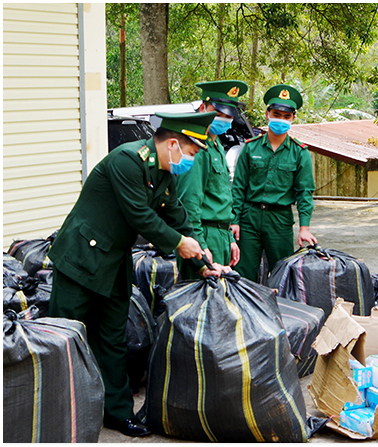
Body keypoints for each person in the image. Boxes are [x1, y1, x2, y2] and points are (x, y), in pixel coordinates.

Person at [48, 112, 231, 437]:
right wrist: (178, 243)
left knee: (113, 340)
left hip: (114, 262)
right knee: (64, 338)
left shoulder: (164, 173)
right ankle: (56, 412)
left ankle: (117, 414)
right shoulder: (127, 161)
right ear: (173, 144)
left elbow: (177, 215)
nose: (190, 161)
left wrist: (202, 258)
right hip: (80, 260)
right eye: (191, 153)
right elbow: (140, 216)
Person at [231, 84, 317, 282]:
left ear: (293, 118)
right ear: (267, 114)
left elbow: (305, 192)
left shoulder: (299, 153)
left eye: (286, 116)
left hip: (280, 220)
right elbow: (238, 187)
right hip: (249, 218)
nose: (281, 119)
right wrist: (235, 220)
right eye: (277, 114)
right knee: (244, 273)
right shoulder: (251, 148)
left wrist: (304, 227)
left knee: (283, 273)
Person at [175, 80, 248, 279]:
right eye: (217, 113)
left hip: (220, 236)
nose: (223, 120)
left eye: (228, 116)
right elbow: (189, 205)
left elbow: (221, 196)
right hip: (203, 236)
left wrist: (229, 238)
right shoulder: (197, 149)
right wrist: (201, 246)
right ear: (202, 108)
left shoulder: (216, 147)